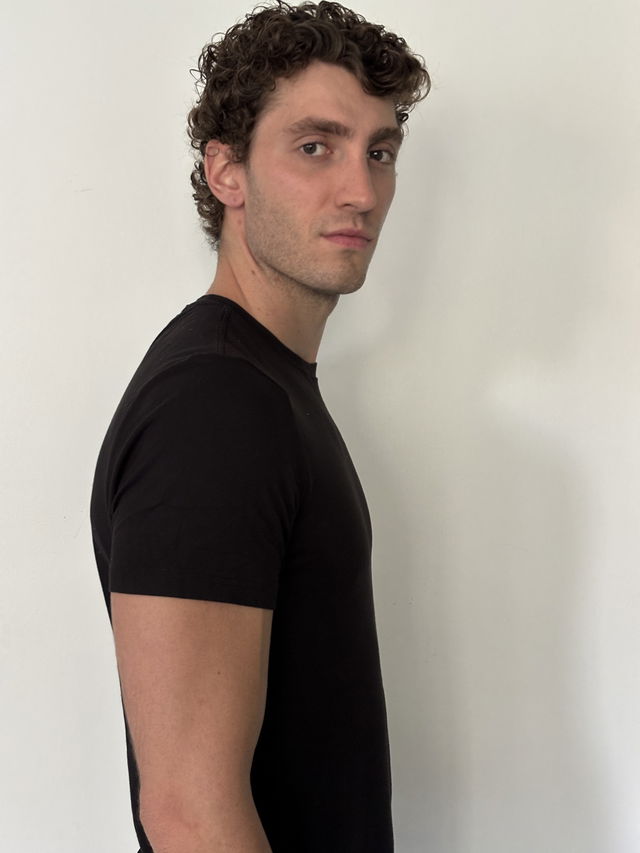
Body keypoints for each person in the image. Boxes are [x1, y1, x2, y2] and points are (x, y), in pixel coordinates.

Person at [89, 2, 430, 851]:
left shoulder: (265, 386)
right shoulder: (213, 408)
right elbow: (187, 812)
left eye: (379, 152)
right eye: (315, 146)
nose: (361, 191)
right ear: (226, 172)